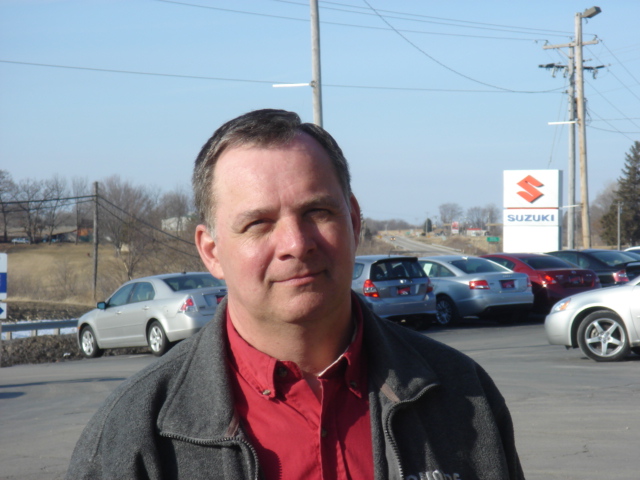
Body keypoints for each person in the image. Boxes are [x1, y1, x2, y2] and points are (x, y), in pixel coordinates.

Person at [67, 109, 524, 480]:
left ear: (355, 221)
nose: (296, 244)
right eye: (258, 223)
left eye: (317, 211)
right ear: (211, 251)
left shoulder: (462, 395)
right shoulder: (135, 431)